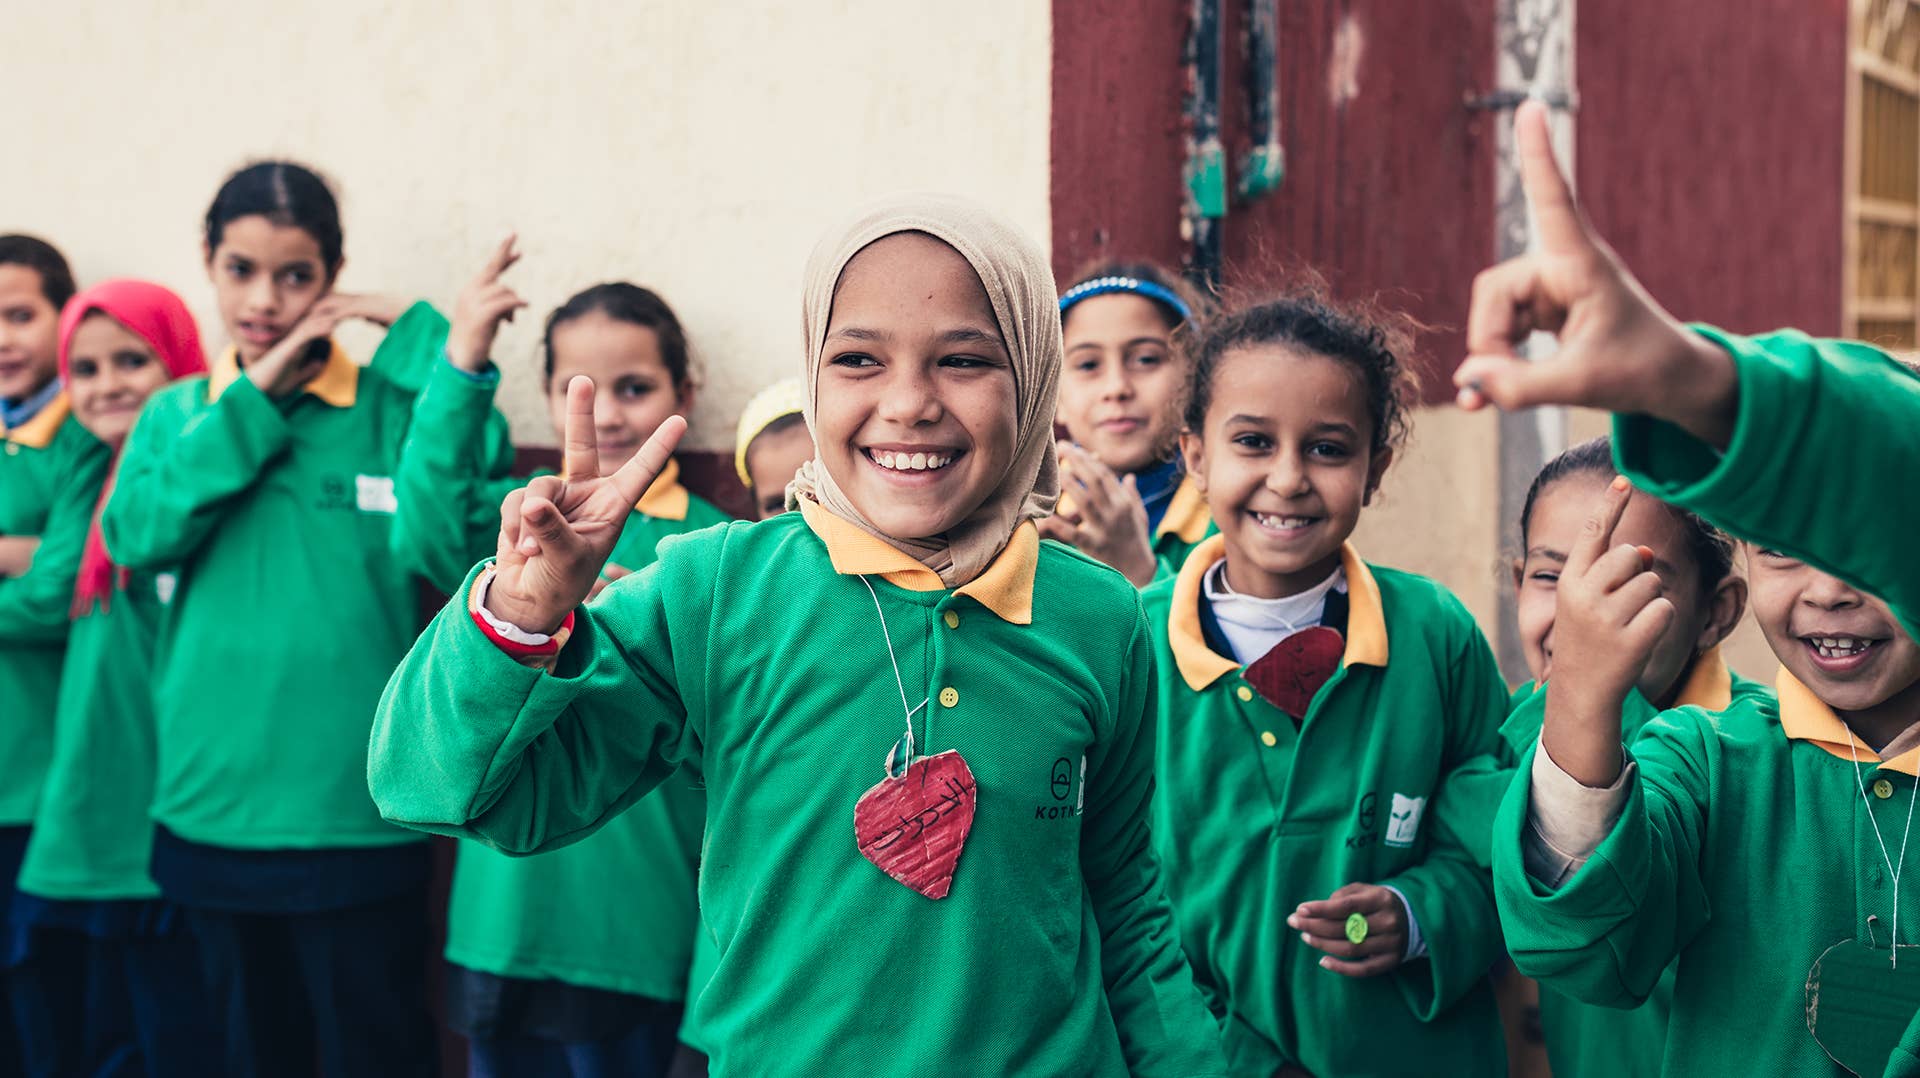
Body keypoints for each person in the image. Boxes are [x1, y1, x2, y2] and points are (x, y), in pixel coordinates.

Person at [368, 193, 1227, 1076]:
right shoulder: (715, 593)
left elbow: (1122, 901)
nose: (909, 404)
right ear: (813, 375)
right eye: (858, 358)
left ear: (1035, 378)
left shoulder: (1099, 618)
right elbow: (434, 787)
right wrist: (519, 615)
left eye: (965, 359)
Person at [1466, 100, 1920, 1076]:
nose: (1831, 593)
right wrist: (1583, 702)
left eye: (1866, 556)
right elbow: (1579, 947)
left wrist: (1695, 381)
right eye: (1787, 554)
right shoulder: (1705, 762)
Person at [100, 161, 463, 1078]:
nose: (266, 298)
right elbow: (136, 535)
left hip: (358, 813)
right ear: (209, 265)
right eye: (242, 270)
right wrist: (252, 399)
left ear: (332, 276)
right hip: (210, 808)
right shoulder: (178, 415)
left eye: (297, 274)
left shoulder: (387, 410)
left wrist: (426, 342)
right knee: (235, 1054)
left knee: (373, 1052)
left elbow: (452, 530)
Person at [1142, 291, 1510, 1075]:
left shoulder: (1435, 637)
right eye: (1252, 442)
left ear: (1374, 469)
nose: (1288, 478)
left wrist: (1419, 914)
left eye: (1328, 449)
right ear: (1195, 456)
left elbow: (1498, 853)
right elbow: (1104, 900)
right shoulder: (1129, 651)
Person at [388, 239, 727, 1078]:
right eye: (580, 389)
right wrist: (463, 356)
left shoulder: (718, 552)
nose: (608, 414)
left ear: (688, 391)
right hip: (503, 922)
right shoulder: (525, 526)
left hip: (638, 932)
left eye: (635, 387)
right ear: (545, 398)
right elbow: (423, 525)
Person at [9, 280, 219, 1077]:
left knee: (176, 1025)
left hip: (159, 790)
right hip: (98, 783)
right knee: (104, 1026)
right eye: (86, 369)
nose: (108, 386)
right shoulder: (93, 472)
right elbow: (57, 576)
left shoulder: (191, 476)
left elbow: (48, 590)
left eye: (134, 360)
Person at [1041, 263, 1211, 584]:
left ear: (1192, 379)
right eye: (1088, 364)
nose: (1116, 387)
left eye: (1146, 359)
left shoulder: (1226, 516)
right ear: (1054, 397)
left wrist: (1136, 571)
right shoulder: (1035, 515)